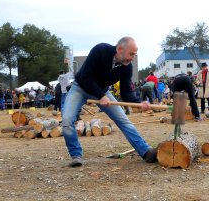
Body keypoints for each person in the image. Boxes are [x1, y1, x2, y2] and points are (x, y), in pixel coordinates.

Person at [61, 37, 156, 167]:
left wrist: (139, 102)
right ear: (120, 49)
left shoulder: (127, 67)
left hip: (102, 92)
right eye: (131, 54)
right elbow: (86, 76)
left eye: (134, 54)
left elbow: (126, 91)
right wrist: (100, 96)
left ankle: (146, 152)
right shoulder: (100, 50)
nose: (132, 58)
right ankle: (76, 155)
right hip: (80, 87)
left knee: (123, 120)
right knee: (67, 120)